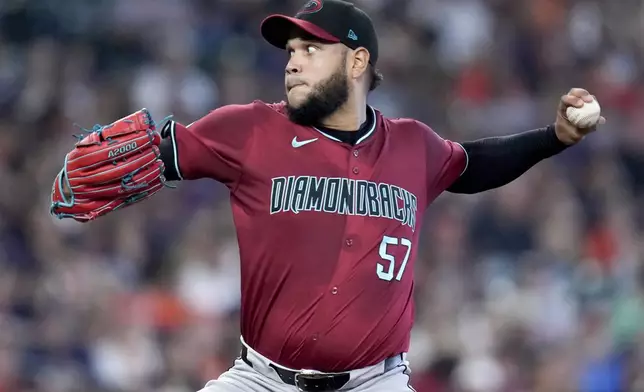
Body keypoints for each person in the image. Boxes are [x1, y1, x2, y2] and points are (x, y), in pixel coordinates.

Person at [50, 1, 606, 391]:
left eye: (311, 49)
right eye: (290, 49)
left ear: (357, 61)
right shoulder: (247, 129)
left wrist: (554, 137)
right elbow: (163, 152)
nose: (292, 61)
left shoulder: (414, 145)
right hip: (261, 380)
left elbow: (475, 164)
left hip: (377, 382)